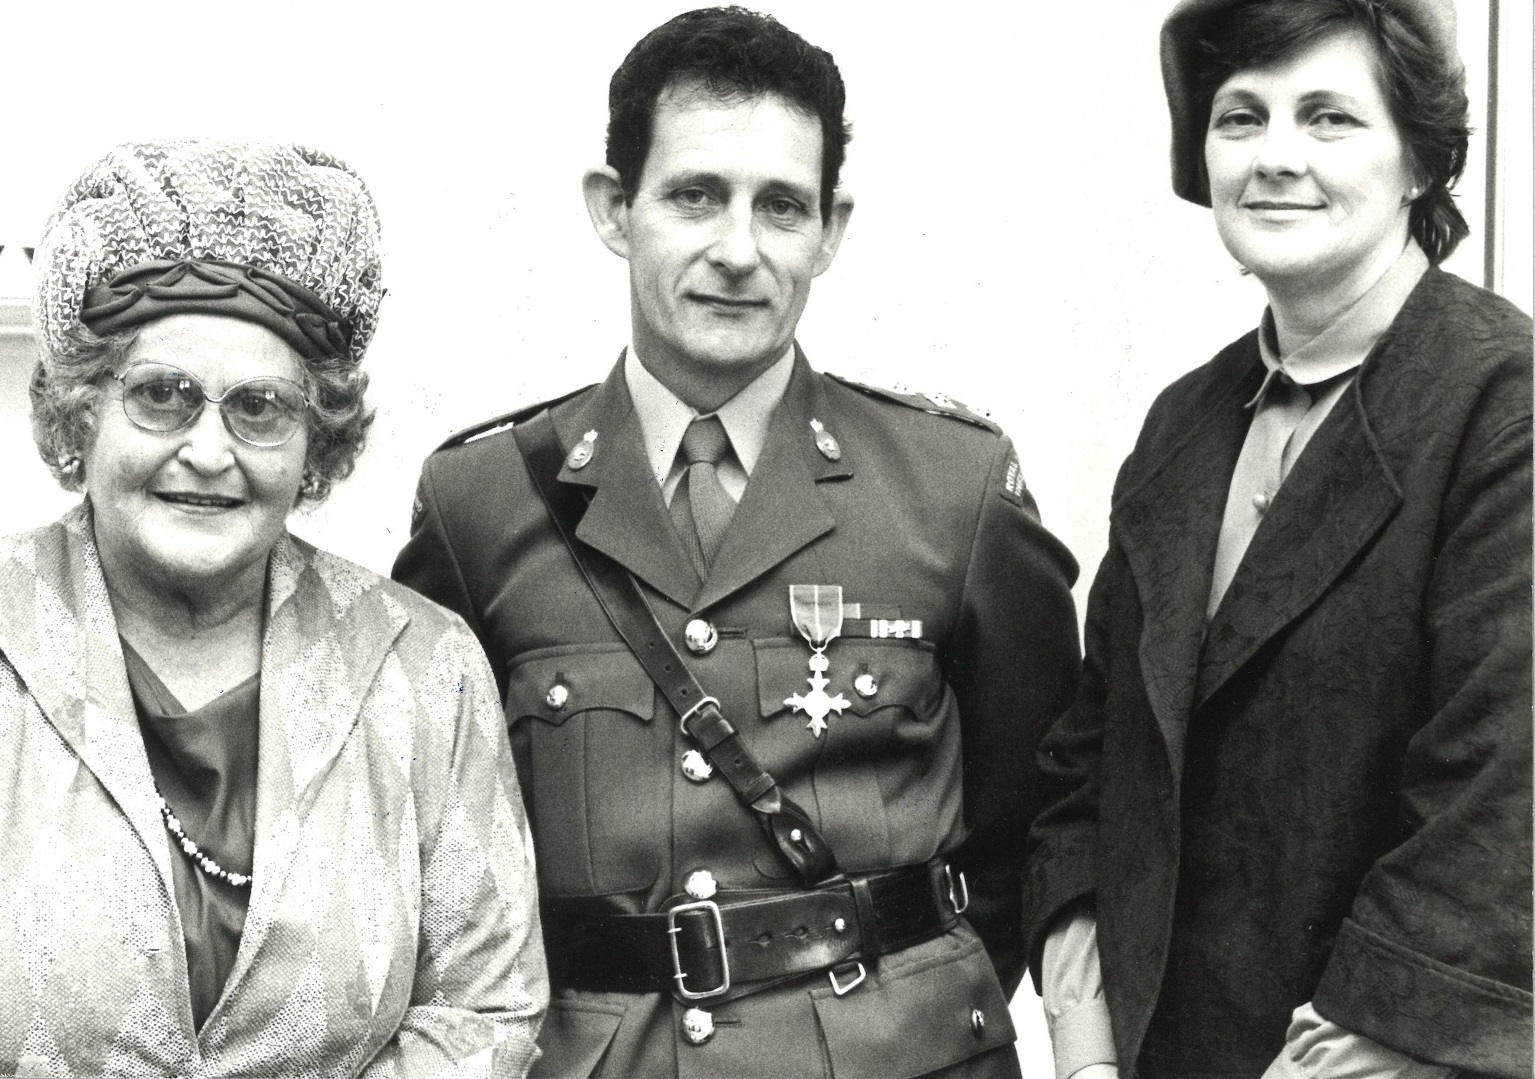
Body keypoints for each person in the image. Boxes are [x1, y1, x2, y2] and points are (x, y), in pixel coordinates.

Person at [393, 8, 1080, 1077]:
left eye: (781, 207)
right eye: (694, 195)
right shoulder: (478, 501)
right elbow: (436, 838)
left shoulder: (953, 487)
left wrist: (908, 996)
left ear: (831, 228)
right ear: (614, 209)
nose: (737, 250)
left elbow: (1030, 818)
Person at [1027, 1, 1532, 1077]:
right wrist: (1083, 1046)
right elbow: (1087, 760)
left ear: (1417, 161)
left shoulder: (1503, 405)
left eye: (1328, 118)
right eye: (1239, 118)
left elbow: (1497, 809)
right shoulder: (1181, 422)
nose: (1274, 157)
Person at [1, 139, 547, 1076]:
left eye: (259, 408)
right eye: (163, 396)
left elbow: (485, 1008)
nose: (210, 450)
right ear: (82, 413)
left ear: (316, 440)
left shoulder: (421, 665)